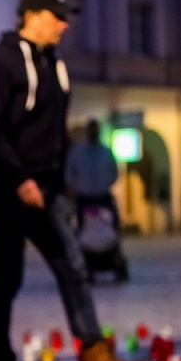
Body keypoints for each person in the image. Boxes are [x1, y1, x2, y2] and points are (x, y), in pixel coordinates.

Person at [0, 0, 148, 361]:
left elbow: (51, 130)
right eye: (57, 16)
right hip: (9, 186)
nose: (64, 24)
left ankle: (97, 360)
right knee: (8, 279)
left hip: (46, 189)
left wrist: (56, 180)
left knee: (73, 265)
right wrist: (20, 179)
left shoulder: (54, 63)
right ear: (30, 15)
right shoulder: (2, 63)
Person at [64, 119, 129, 281]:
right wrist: (75, 188)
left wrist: (106, 183)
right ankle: (83, 261)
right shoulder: (78, 152)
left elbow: (115, 172)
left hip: (103, 197)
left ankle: (113, 256)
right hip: (84, 198)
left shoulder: (106, 151)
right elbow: (69, 173)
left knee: (113, 227)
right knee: (81, 231)